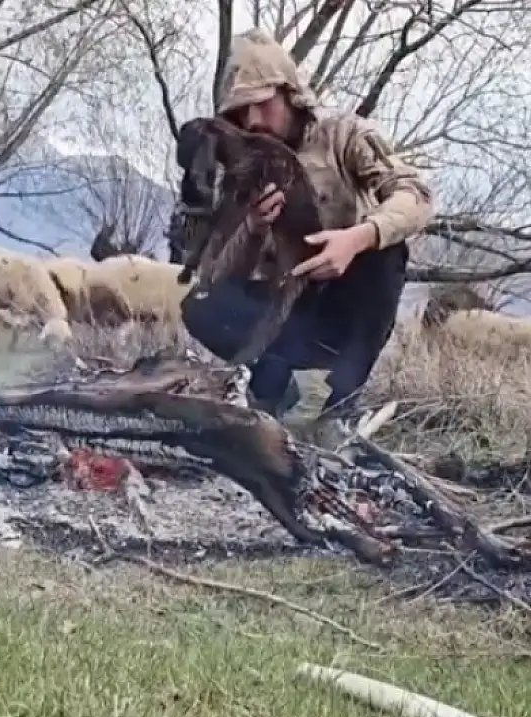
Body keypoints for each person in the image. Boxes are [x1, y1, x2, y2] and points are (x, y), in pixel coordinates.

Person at [178, 29, 435, 427]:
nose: (252, 121)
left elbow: (415, 195)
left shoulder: (343, 136)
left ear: (289, 94)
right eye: (239, 112)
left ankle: (339, 403)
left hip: (343, 296)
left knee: (386, 255)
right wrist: (252, 227)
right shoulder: (239, 166)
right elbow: (218, 272)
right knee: (200, 308)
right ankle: (272, 384)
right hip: (279, 306)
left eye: (261, 105)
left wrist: (357, 238)